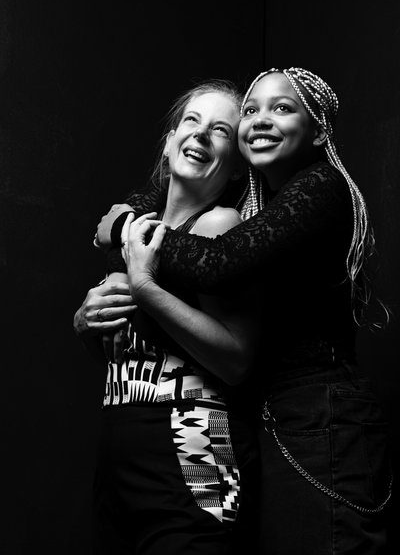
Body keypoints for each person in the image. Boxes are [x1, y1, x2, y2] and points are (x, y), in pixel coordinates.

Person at [98, 67, 393, 554]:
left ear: (319, 130)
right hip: (271, 416)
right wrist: (116, 263)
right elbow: (169, 197)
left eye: (282, 107)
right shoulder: (260, 199)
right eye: (251, 110)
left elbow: (218, 262)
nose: (259, 119)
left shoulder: (320, 187)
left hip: (322, 412)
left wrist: (130, 238)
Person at [74, 79, 260, 555]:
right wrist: (87, 323)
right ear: (169, 140)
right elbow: (149, 362)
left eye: (220, 130)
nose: (199, 135)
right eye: (191, 121)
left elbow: (236, 360)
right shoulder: (142, 236)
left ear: (237, 167)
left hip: (192, 449)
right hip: (121, 455)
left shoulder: (218, 225)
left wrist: (144, 287)